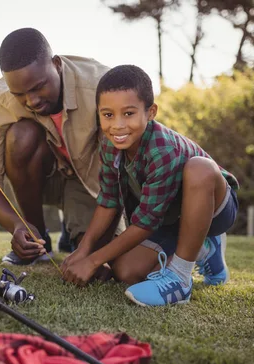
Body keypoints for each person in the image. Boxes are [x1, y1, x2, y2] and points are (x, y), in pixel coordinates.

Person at [61, 65, 240, 307]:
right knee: (126, 272)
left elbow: (144, 225)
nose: (117, 125)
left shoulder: (163, 150)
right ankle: (204, 249)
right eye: (108, 115)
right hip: (169, 218)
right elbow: (108, 201)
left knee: (200, 167)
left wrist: (92, 262)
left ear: (151, 112)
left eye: (128, 113)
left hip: (215, 209)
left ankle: (180, 276)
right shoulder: (109, 144)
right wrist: (84, 250)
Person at [0, 27, 124, 267]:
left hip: (97, 184)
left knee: (102, 259)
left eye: (38, 87)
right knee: (22, 135)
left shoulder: (101, 86)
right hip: (48, 178)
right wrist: (17, 225)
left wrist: (91, 248)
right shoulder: (0, 99)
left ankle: (73, 229)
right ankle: (38, 241)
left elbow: (123, 170)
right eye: (19, 94)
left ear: (56, 64)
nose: (31, 101)